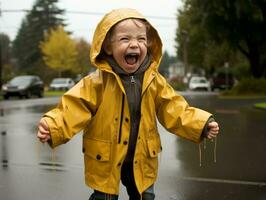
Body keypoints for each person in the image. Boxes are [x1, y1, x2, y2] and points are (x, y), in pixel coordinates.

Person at [37, 8, 219, 200]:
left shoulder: (154, 81)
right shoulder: (96, 83)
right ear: (108, 47)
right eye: (125, 39)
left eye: (141, 39)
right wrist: (53, 126)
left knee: (145, 197)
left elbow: (174, 108)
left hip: (142, 156)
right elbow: (73, 107)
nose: (135, 44)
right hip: (107, 157)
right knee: (104, 197)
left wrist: (201, 124)